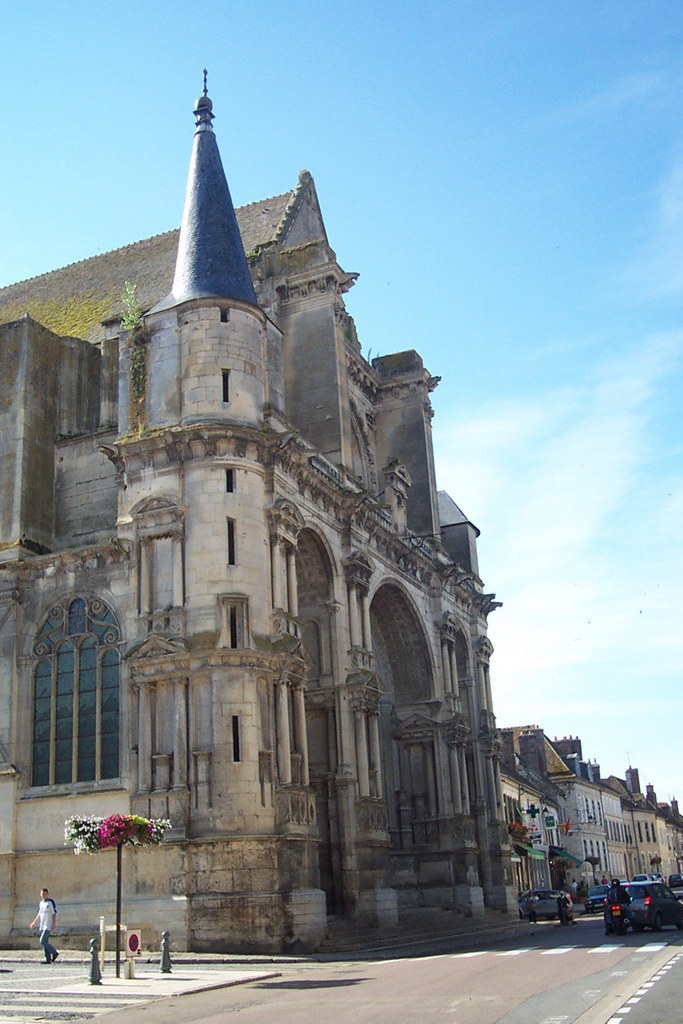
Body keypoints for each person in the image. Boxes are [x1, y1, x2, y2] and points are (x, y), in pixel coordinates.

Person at [30, 888, 58, 963]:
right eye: (42, 894)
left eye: (45, 894)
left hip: (48, 925)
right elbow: (39, 914)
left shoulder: (50, 902)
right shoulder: (41, 903)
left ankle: (54, 952)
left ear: (47, 894)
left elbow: (54, 913)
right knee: (45, 942)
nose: (44, 896)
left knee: (42, 941)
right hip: (42, 924)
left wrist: (53, 924)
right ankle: (48, 959)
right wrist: (34, 923)